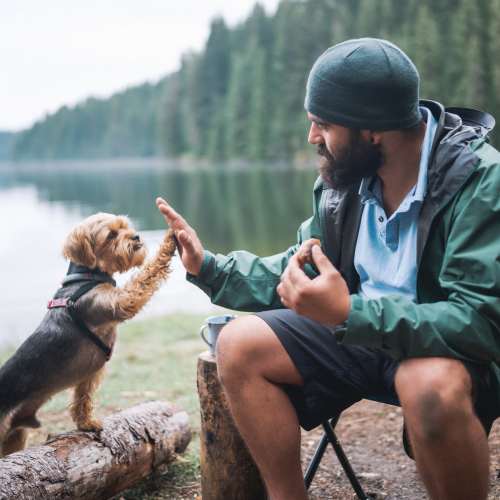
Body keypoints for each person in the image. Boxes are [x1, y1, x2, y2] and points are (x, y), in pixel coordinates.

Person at [157, 38, 500, 500]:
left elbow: (479, 322)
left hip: (444, 351)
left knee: (427, 384)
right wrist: (210, 268)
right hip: (360, 335)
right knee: (239, 344)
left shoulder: (480, 181)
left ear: (372, 130)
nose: (312, 137)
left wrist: (348, 313)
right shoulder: (344, 182)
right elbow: (298, 265)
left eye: (322, 124)